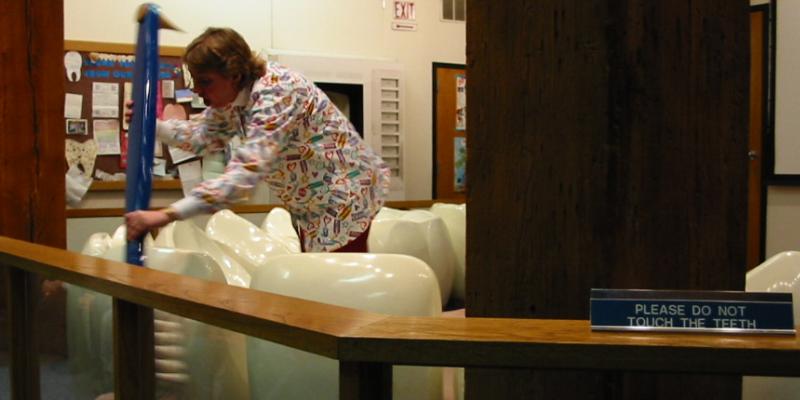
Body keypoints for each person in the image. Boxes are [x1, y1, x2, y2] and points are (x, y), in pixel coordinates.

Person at [125, 27, 389, 252]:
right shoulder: (234, 99)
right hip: (314, 208)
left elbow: (244, 175)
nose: (197, 90)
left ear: (235, 74)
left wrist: (166, 215)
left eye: (205, 81)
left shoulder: (276, 93)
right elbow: (203, 137)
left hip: (347, 204)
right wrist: (152, 126)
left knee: (333, 294)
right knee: (321, 288)